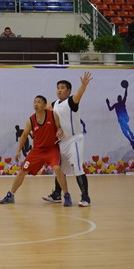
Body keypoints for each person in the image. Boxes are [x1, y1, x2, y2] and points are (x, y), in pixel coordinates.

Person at [0, 95, 71, 206]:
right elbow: (24, 135)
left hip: (52, 149)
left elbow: (59, 127)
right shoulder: (31, 120)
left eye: (39, 102)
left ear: (44, 105)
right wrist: (18, 150)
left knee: (57, 168)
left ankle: (66, 195)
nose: (36, 104)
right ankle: (10, 195)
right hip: (37, 151)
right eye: (35, 102)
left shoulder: (52, 115)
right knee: (22, 171)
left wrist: (59, 130)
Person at [42, 73, 92, 207]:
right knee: (60, 169)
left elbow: (79, 95)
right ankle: (57, 194)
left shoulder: (71, 102)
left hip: (74, 140)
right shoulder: (55, 104)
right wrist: (38, 103)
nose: (59, 90)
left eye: (62, 88)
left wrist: (83, 85)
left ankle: (85, 197)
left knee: (77, 167)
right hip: (62, 142)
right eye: (58, 88)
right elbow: (44, 107)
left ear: (69, 91)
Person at [106, 84, 134, 149]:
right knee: (124, 132)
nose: (119, 99)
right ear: (117, 99)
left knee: (122, 120)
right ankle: (131, 141)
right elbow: (110, 109)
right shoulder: (116, 104)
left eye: (120, 98)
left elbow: (125, 95)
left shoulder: (122, 102)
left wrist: (126, 88)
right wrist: (108, 103)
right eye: (118, 98)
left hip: (125, 117)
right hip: (121, 120)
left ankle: (130, 132)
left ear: (121, 99)